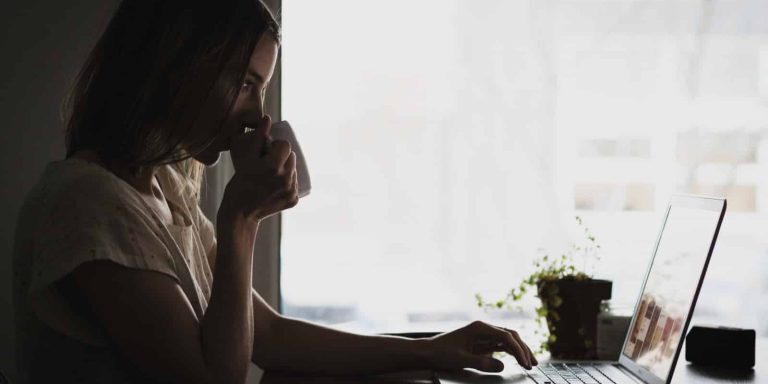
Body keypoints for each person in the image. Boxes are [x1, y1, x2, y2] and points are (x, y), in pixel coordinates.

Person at [12, 1, 537, 383]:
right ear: (173, 68)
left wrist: (430, 350)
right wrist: (240, 222)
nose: (258, 114)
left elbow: (271, 335)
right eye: (244, 82)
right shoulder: (88, 203)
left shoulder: (163, 194)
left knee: (407, 378)